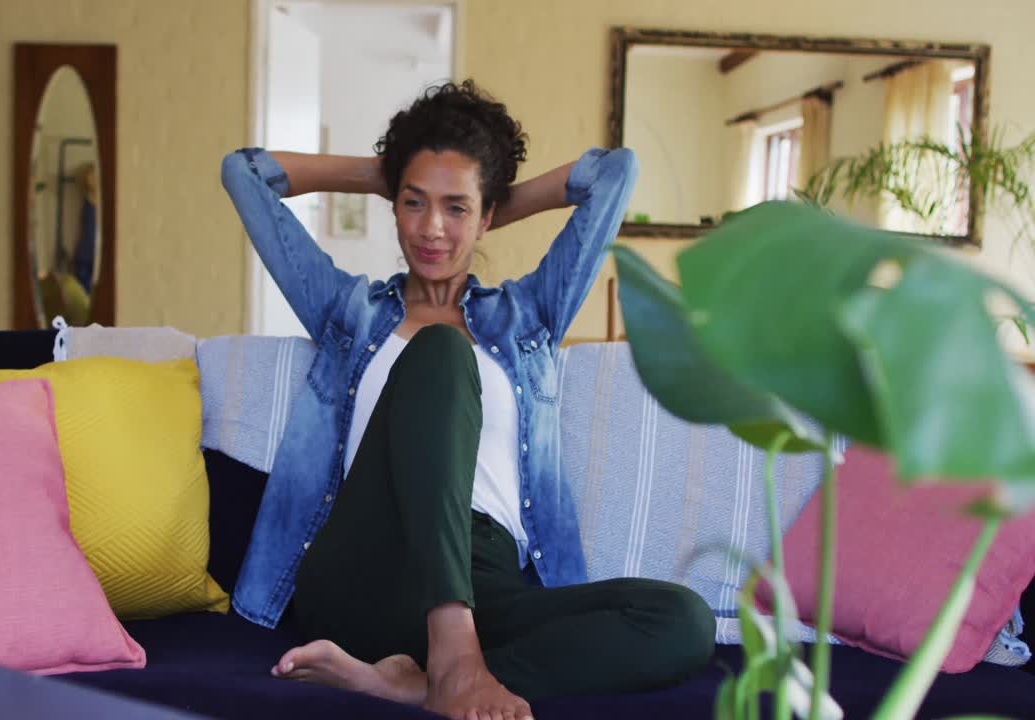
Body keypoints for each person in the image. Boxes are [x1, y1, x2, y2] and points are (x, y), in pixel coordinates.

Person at [220, 80, 714, 720]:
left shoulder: (526, 319)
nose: (430, 228)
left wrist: (491, 193)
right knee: (441, 354)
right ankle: (452, 653)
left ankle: (416, 682)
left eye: (456, 209)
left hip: (490, 580)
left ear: (487, 218)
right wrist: (385, 172)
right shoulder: (349, 313)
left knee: (681, 620)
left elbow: (615, 172)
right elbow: (245, 173)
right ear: (393, 206)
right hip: (368, 566)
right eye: (413, 202)